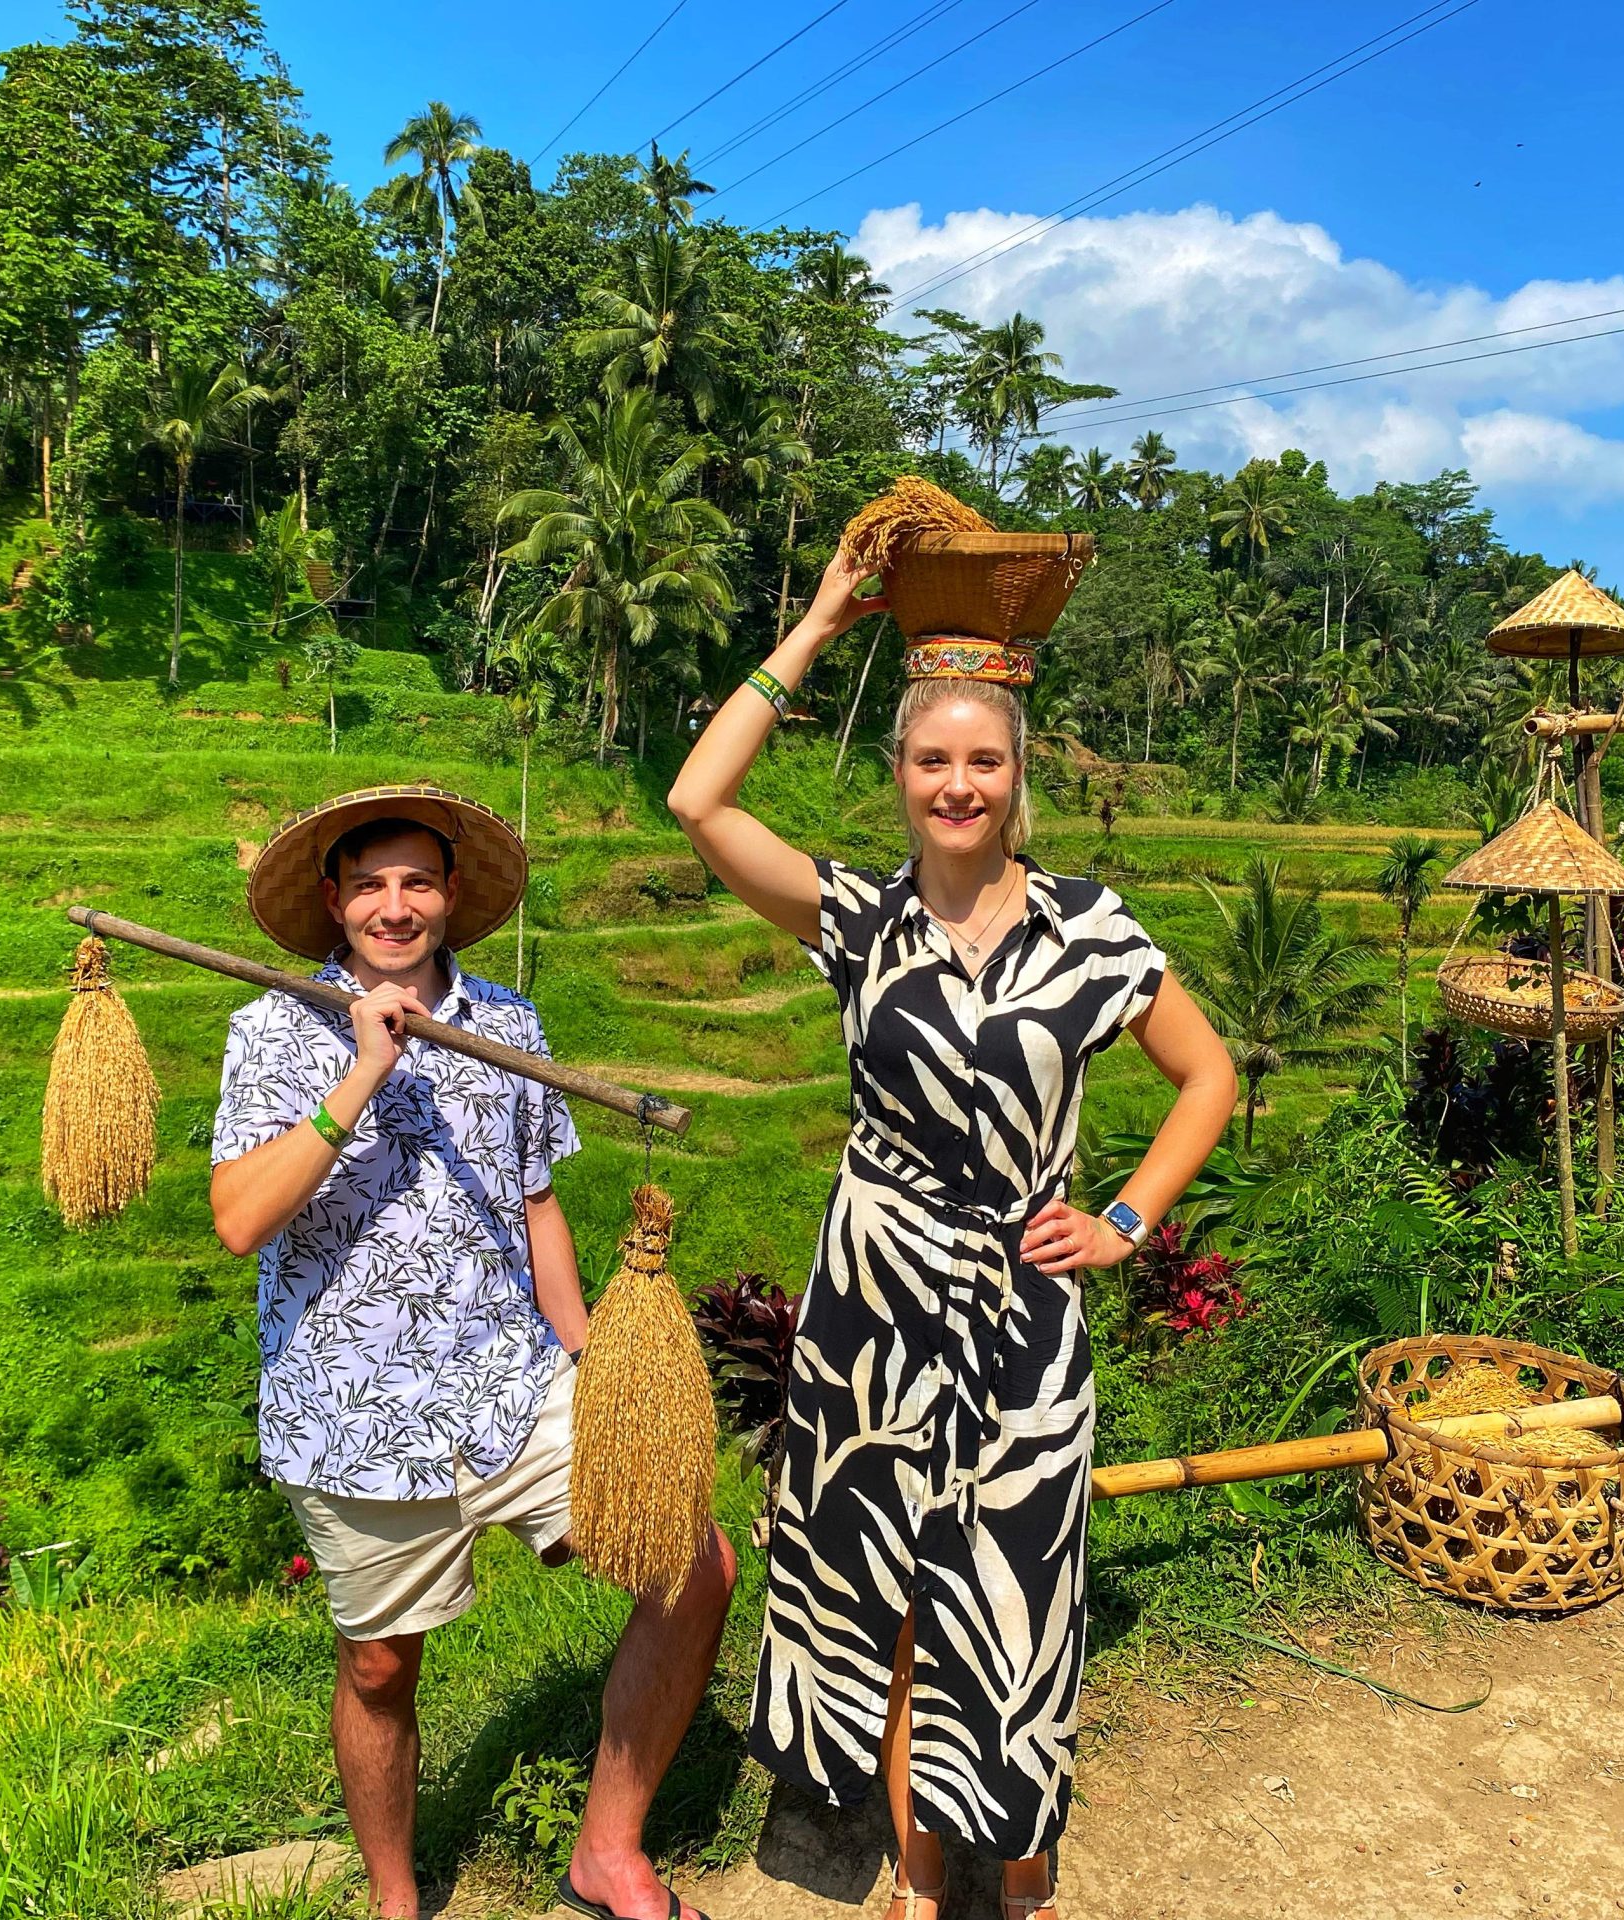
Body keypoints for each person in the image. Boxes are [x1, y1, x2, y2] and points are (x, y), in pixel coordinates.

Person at [668, 560, 1239, 1920]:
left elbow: (1206, 1074)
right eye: (933, 760)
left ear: (1017, 773)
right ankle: (920, 1875)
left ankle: (1018, 1867)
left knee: (1019, 1592)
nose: (958, 785)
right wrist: (817, 624)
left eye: (984, 761)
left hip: (1021, 1308)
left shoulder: (1089, 929)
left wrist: (1123, 1222)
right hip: (871, 1302)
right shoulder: (859, 920)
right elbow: (699, 803)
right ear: (901, 773)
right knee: (885, 1588)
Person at [210, 783, 738, 1920]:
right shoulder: (271, 1030)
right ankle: (397, 1902)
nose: (393, 907)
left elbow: (535, 1204)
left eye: (416, 881)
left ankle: (607, 1852)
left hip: (511, 1377)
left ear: (450, 894)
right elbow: (240, 1219)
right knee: (379, 1666)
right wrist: (362, 1071)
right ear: (333, 902)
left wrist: (592, 1362)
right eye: (369, 886)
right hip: (351, 1408)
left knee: (694, 1566)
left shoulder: (509, 1025)